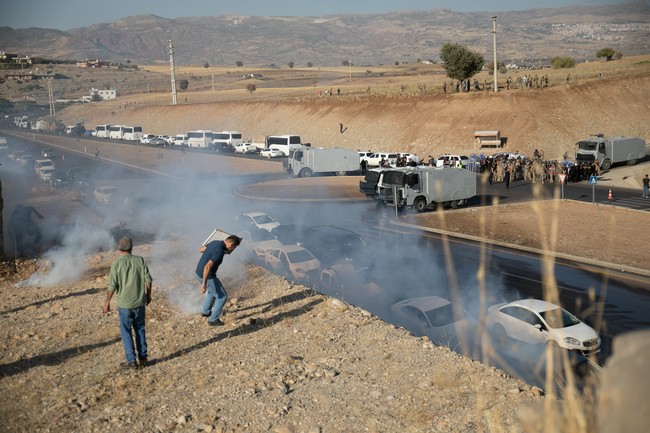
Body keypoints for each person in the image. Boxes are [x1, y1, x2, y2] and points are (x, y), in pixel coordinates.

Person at [104, 237, 153, 369]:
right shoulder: (140, 260)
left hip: (124, 304)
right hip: (139, 302)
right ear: (131, 248)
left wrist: (107, 302)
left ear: (119, 249)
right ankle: (143, 358)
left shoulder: (116, 263)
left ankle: (131, 361)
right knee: (140, 330)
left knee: (126, 332)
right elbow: (148, 280)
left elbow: (112, 285)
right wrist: (148, 295)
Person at [196, 235, 241, 326]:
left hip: (198, 273)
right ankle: (213, 320)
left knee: (212, 292)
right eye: (234, 247)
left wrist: (211, 252)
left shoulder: (215, 242)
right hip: (208, 276)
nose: (232, 249)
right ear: (231, 244)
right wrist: (204, 284)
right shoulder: (219, 251)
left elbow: (201, 250)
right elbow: (207, 266)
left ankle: (205, 311)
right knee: (222, 296)